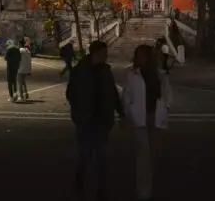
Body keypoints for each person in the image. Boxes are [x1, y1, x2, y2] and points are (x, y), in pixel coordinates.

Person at [66, 41, 124, 201]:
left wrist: (121, 112)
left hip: (102, 120)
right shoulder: (79, 71)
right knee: (85, 154)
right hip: (85, 120)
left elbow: (113, 93)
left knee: (102, 158)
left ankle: (102, 190)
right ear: (95, 53)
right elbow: (70, 93)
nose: (106, 56)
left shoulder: (106, 71)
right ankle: (80, 179)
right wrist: (79, 110)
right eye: (104, 53)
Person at [122, 44, 172, 201]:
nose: (139, 58)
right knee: (142, 155)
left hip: (156, 118)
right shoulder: (132, 75)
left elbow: (167, 93)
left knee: (153, 155)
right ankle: (143, 191)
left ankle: (147, 186)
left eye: (142, 55)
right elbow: (126, 96)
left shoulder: (159, 75)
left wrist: (166, 107)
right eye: (138, 55)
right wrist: (129, 112)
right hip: (139, 119)